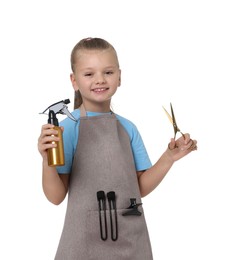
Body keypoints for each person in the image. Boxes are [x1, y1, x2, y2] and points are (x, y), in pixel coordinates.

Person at [38, 37, 197, 260]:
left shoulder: (127, 128)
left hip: (130, 240)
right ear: (74, 81)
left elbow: (138, 187)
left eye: (108, 72)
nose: (100, 80)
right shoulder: (67, 130)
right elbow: (55, 197)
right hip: (84, 243)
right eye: (89, 74)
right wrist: (47, 161)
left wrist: (169, 157)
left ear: (120, 77)